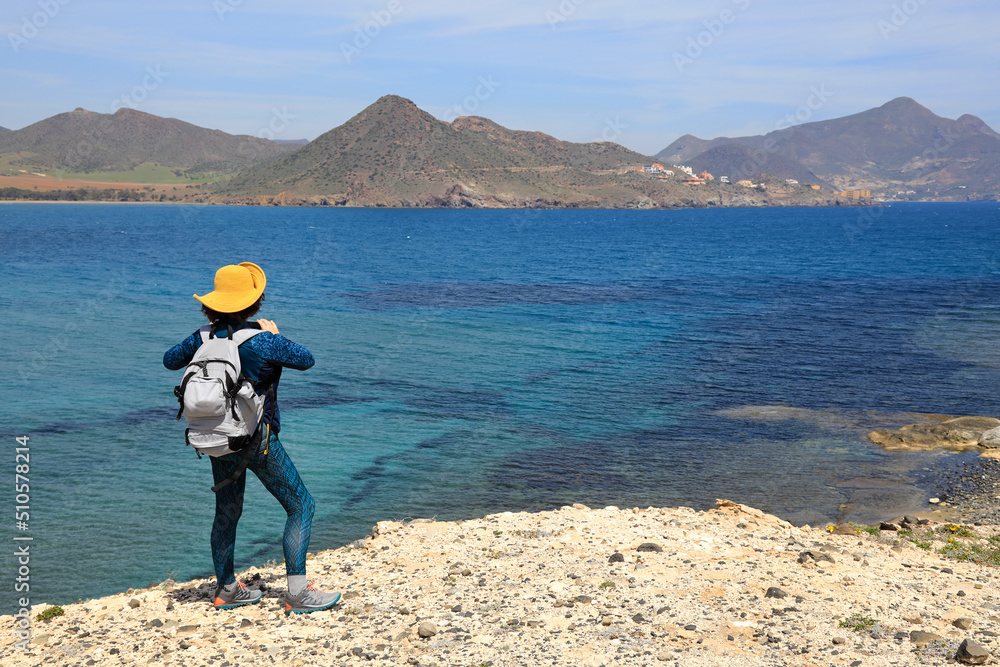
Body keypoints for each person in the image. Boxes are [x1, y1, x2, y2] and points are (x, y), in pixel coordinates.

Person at [164, 262, 341, 614]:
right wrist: (272, 336)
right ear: (254, 302)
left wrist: (207, 336)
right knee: (301, 505)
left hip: (216, 437)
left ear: (211, 304)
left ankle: (227, 588)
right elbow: (307, 359)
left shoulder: (201, 337)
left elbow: (170, 361)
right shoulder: (259, 340)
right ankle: (298, 594)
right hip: (257, 440)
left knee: (227, 511)